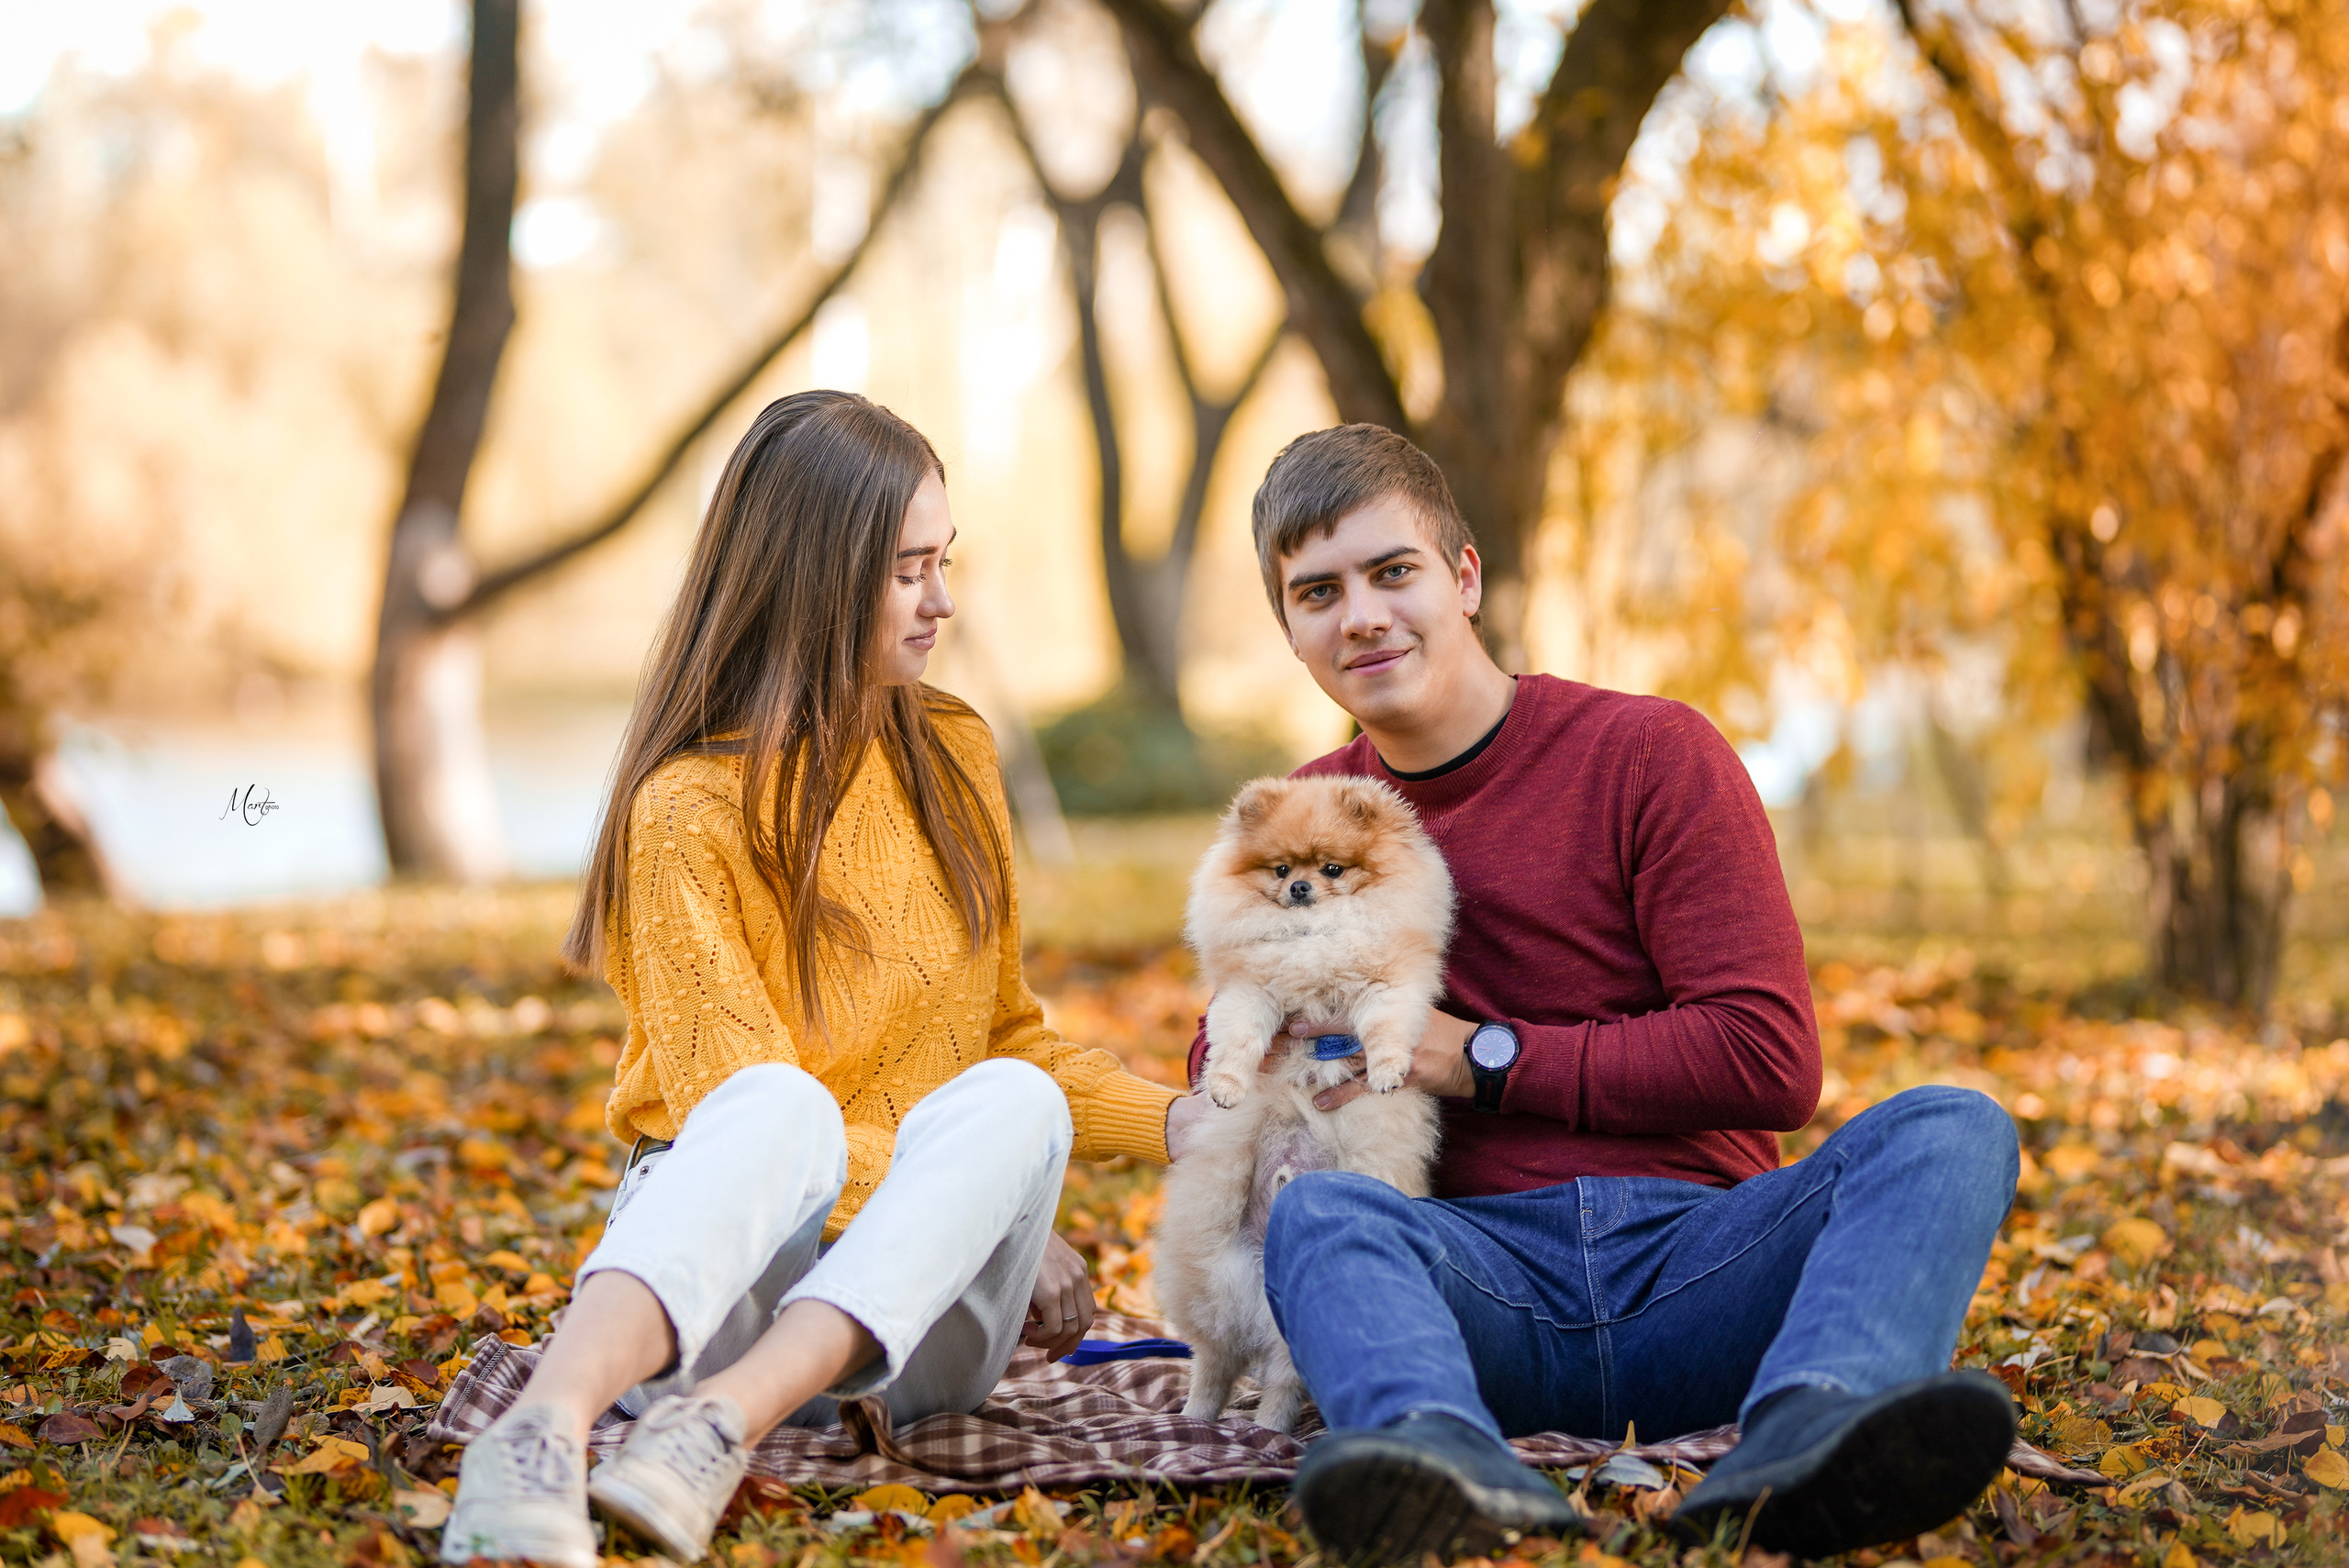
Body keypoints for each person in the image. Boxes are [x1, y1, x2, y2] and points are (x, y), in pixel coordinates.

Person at [1187, 425, 2021, 1563]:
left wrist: (1480, 1057)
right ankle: (1434, 1454)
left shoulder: (1646, 753)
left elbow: (1770, 1058)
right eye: (1317, 592)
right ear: (1289, 628)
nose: (1362, 616)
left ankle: (1814, 1431)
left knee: (1949, 1129)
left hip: (1707, 1262)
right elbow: (1230, 1053)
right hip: (1471, 1281)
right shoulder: (1301, 817)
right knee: (1323, 1216)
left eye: (1394, 572)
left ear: (1465, 575)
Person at [440, 392, 1201, 1567]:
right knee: (779, 1104)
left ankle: (712, 1431)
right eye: (907, 571)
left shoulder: (954, 753)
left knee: (1019, 1100)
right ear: (812, 575)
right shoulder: (685, 808)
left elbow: (1009, 1042)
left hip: (909, 1332)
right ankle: (545, 1429)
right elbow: (733, 1120)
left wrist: (1185, 1123)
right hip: (725, 1275)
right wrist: (965, 1189)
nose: (941, 599)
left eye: (944, 562)